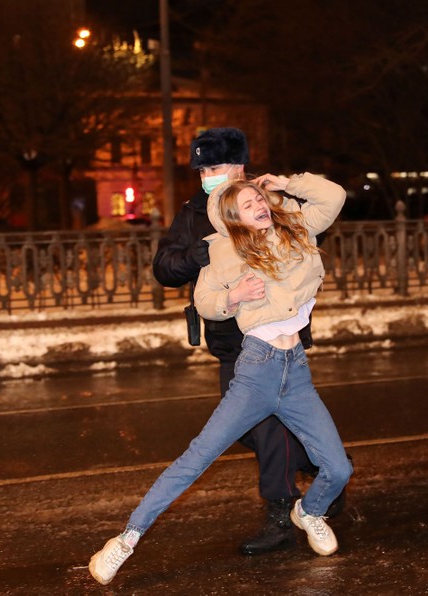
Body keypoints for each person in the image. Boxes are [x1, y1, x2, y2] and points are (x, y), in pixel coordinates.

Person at [89, 172, 353, 586]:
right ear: (232, 217)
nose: (260, 206)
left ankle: (309, 512)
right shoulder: (221, 250)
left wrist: (286, 181)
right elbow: (205, 302)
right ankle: (125, 540)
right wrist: (233, 298)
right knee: (195, 459)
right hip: (256, 370)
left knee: (337, 468)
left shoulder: (297, 228)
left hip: (296, 369)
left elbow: (333, 194)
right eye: (248, 205)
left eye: (260, 199)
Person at [151, 127, 344, 557]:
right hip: (228, 340)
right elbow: (163, 268)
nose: (208, 175)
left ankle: (281, 514)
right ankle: (317, 464)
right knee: (251, 432)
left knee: (270, 427)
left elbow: (311, 231)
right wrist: (195, 258)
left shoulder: (266, 202)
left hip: (275, 336)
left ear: (239, 166)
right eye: (202, 169)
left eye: (215, 167)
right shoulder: (194, 212)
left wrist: (282, 196)